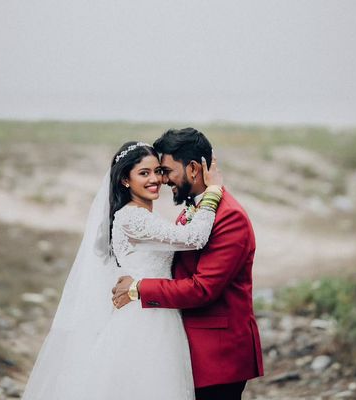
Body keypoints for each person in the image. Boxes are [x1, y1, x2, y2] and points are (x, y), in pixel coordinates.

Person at [21, 140, 223, 400]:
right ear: (125, 181)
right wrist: (213, 191)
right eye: (144, 173)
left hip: (151, 308)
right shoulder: (133, 217)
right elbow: (194, 238)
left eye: (158, 172)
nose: (155, 180)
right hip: (146, 321)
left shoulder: (140, 215)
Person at [112, 128, 264, 400]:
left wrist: (138, 288)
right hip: (183, 344)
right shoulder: (194, 210)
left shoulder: (229, 217)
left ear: (193, 169)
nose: (163, 179)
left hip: (218, 355)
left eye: (166, 170)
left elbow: (203, 289)